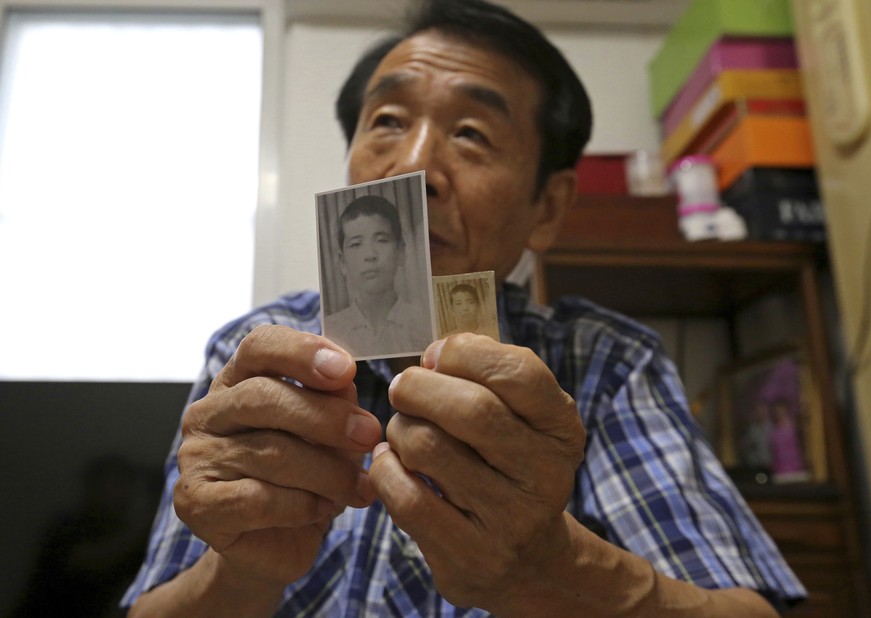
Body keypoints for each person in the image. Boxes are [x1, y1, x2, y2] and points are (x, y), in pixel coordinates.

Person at [123, 0, 806, 615]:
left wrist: (548, 571)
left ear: (547, 207)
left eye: (471, 134)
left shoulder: (604, 362)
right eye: (386, 121)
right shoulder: (251, 353)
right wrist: (240, 572)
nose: (412, 169)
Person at [323, 194, 432, 358]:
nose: (370, 255)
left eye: (381, 240)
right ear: (342, 261)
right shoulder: (330, 331)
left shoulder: (426, 324)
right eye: (356, 244)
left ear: (400, 251)